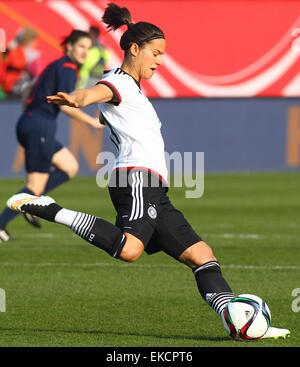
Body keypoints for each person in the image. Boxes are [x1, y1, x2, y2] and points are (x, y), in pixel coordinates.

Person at [6, 3, 289, 340]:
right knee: (129, 249)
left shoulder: (133, 91)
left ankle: (238, 322)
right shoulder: (118, 81)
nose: (160, 60)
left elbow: (108, 111)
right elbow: (97, 92)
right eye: (155, 53)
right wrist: (79, 98)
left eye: (163, 54)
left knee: (202, 256)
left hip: (154, 188)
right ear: (134, 49)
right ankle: (50, 208)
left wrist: (91, 106)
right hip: (135, 178)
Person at [0, 30, 102, 243]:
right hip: (40, 126)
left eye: (88, 48)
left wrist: (31, 113)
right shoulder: (67, 68)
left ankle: (31, 202)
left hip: (34, 123)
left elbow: (29, 91)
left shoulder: (58, 65)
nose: (85, 51)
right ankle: (9, 218)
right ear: (70, 47)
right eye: (81, 46)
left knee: (70, 166)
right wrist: (92, 121)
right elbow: (65, 106)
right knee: (35, 187)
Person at [76, 25, 110, 89]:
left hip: (87, 79)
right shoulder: (103, 49)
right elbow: (106, 64)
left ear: (93, 34)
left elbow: (86, 65)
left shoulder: (94, 48)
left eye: (89, 33)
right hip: (98, 78)